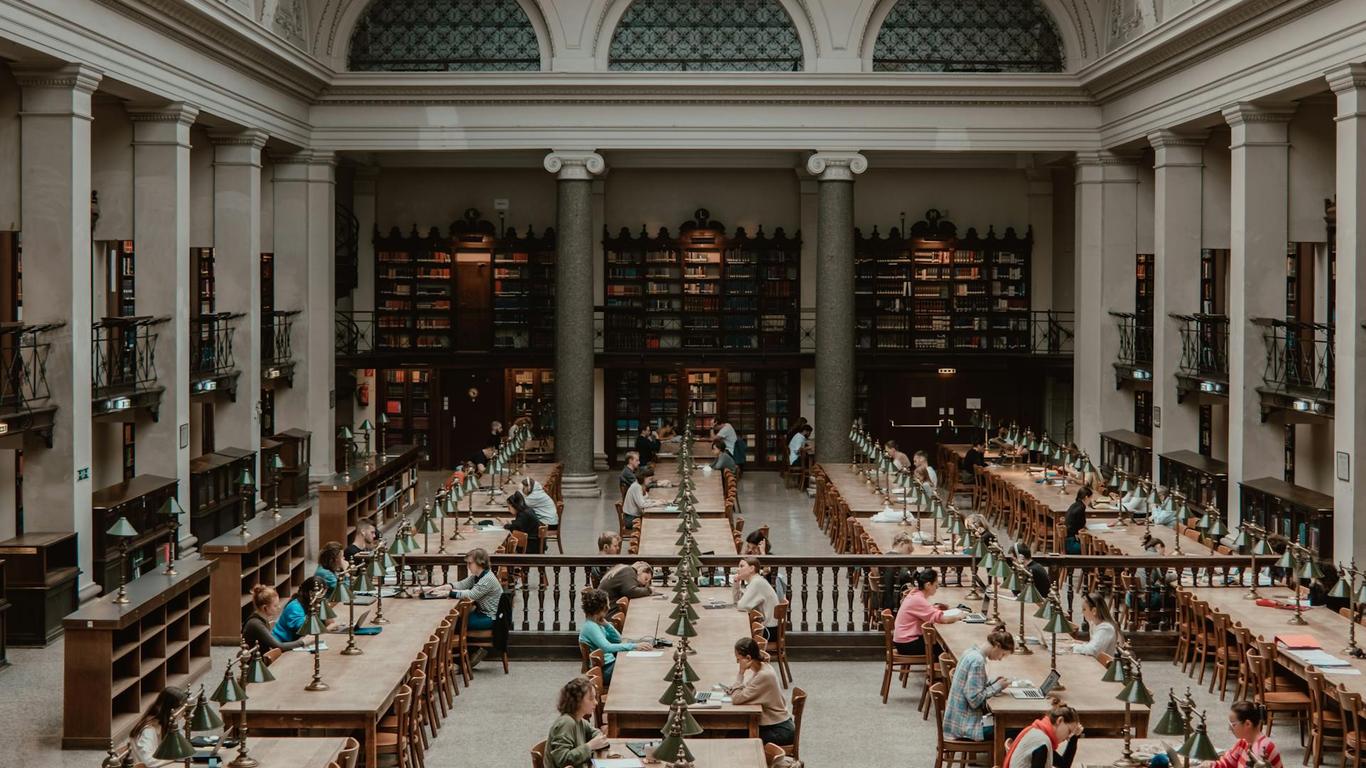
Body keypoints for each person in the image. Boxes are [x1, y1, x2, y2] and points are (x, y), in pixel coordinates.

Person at [426, 548, 504, 664]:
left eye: (470, 563)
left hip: (491, 617)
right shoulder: (478, 576)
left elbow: (471, 595)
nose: (468, 566)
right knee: (455, 622)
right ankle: (465, 655)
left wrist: (449, 593)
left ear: (480, 563)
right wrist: (441, 588)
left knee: (454, 624)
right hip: (482, 613)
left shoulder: (487, 579)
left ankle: (457, 660)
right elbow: (461, 584)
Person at [943, 625, 1016, 742]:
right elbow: (974, 700)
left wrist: (993, 683)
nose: (1000, 659)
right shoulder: (978, 662)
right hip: (967, 726)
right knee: (1016, 728)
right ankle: (1001, 759)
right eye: (1002, 654)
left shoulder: (971, 652)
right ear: (997, 646)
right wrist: (997, 687)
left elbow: (973, 686)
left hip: (957, 721)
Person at [725, 636, 794, 746]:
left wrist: (741, 673)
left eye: (738, 659)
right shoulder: (763, 667)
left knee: (733, 737)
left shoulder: (764, 675)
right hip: (776, 725)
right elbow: (748, 688)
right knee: (732, 733)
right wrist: (736, 688)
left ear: (748, 658)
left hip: (780, 730)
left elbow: (737, 699)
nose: (737, 662)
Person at [577, 588, 651, 685]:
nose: (609, 607)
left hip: (608, 665)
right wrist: (634, 646)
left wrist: (607, 625)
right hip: (605, 670)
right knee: (636, 667)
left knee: (636, 665)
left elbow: (618, 639)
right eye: (607, 605)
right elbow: (607, 647)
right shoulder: (591, 627)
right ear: (602, 608)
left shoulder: (598, 623)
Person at [893, 568, 963, 657]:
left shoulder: (915, 593)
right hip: (907, 643)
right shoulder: (917, 599)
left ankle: (941, 669)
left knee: (940, 645)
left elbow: (924, 610)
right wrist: (958, 616)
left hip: (904, 639)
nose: (937, 586)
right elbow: (942, 619)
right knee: (945, 651)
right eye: (936, 583)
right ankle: (940, 669)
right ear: (928, 585)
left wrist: (935, 608)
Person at [543, 676, 610, 768]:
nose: (596, 702)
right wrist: (590, 746)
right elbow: (563, 760)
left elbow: (596, 734)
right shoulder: (566, 723)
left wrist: (598, 740)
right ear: (577, 701)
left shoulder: (580, 720)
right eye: (591, 698)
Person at [1002, 699, 1084, 768]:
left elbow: (1064, 765)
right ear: (1060, 721)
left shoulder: (1038, 733)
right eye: (1069, 731)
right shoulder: (1041, 743)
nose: (1067, 737)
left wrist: (1074, 737)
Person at [1199, 701, 1283, 768]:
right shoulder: (1243, 743)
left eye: (1233, 725)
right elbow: (1227, 764)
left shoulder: (1262, 750)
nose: (1230, 729)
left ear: (1247, 724)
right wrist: (1209, 765)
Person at [128, 687, 188, 767]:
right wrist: (174, 757)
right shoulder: (148, 731)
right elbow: (148, 762)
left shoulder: (164, 724)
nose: (183, 713)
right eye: (181, 709)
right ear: (170, 709)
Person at [242, 584, 307, 651]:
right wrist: (303, 642)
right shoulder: (255, 623)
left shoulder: (262, 618)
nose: (279, 607)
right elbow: (278, 646)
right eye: (275, 606)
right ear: (265, 608)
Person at [272, 576, 334, 644]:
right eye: (321, 594)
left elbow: (331, 623)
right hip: (283, 644)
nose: (323, 597)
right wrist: (327, 629)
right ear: (311, 593)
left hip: (296, 642)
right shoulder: (294, 607)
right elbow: (307, 630)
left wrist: (325, 608)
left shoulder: (316, 603)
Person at [733, 556, 779, 641]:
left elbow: (741, 606)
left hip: (768, 631)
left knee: (736, 632)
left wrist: (740, 602)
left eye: (741, 566)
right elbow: (737, 601)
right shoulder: (755, 581)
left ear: (751, 568)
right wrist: (736, 583)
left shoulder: (757, 583)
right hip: (767, 628)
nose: (738, 569)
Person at [1067, 592, 1121, 657]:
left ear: (1094, 611)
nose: (1082, 612)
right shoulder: (1094, 624)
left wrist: (1073, 647)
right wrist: (1080, 643)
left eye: (1084, 609)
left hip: (1100, 666)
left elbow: (1092, 650)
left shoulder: (1106, 628)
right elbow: (1094, 644)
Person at [879, 531, 916, 611]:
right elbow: (906, 577)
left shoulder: (884, 557)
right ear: (902, 544)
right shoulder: (899, 561)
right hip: (894, 603)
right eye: (909, 548)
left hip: (881, 601)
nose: (911, 551)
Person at [1064, 487, 1093, 554]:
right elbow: (1081, 526)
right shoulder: (1081, 508)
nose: (1091, 500)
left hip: (1068, 540)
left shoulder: (1074, 504)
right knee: (1093, 548)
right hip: (1072, 544)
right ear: (1086, 497)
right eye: (1090, 498)